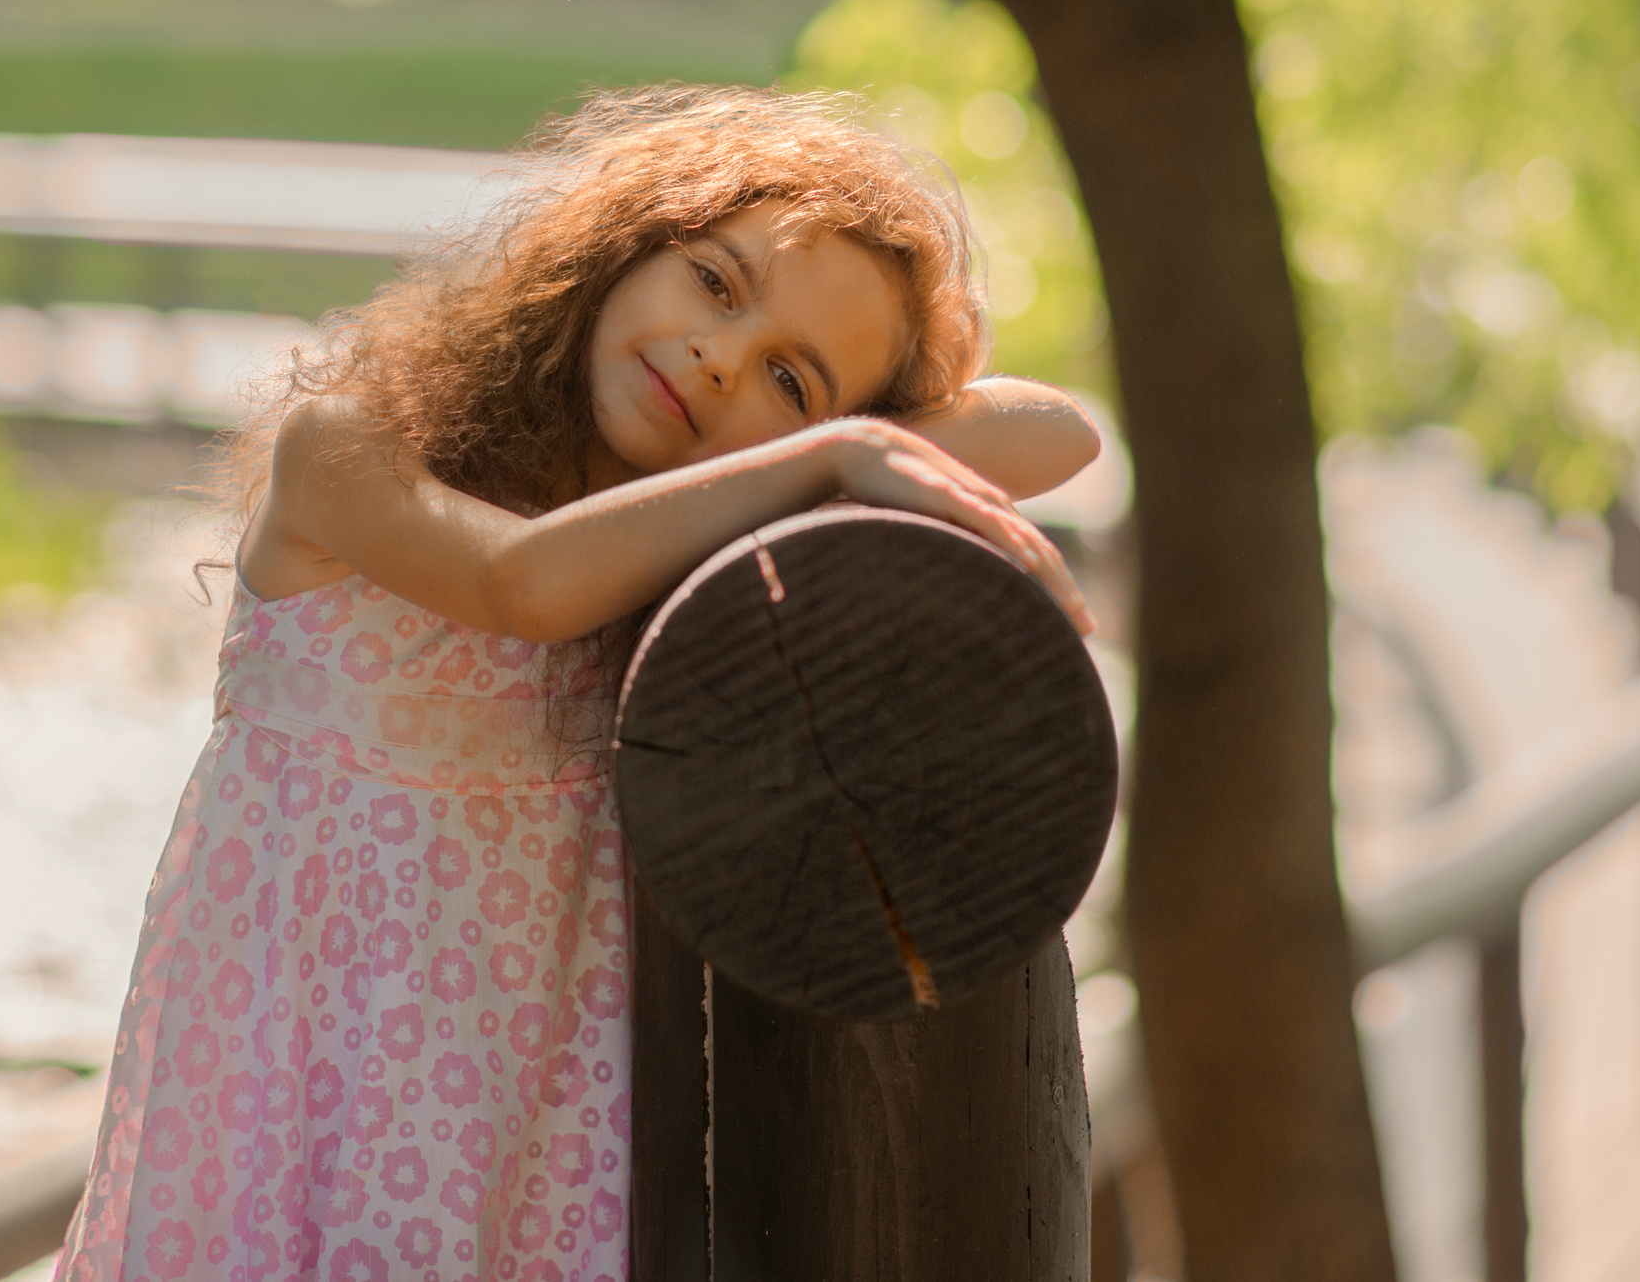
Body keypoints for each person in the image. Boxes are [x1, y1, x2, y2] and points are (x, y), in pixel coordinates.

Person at [56, 84, 1099, 1282]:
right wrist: (829, 444)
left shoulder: (677, 537)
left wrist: (830, 442)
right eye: (714, 281)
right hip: (294, 1101)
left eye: (790, 376)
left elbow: (1060, 432)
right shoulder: (343, 453)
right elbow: (519, 588)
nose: (717, 358)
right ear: (625, 244)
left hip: (529, 1138)